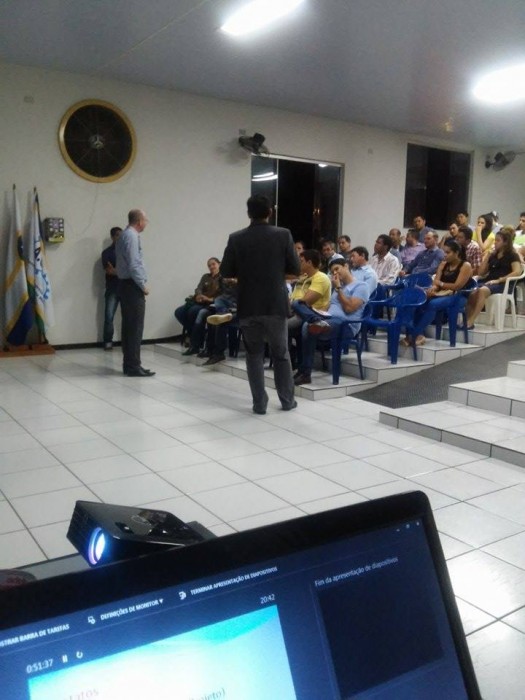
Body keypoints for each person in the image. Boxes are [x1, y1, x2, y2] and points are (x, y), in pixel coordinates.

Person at [220, 195, 300, 414]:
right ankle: (287, 400)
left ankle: (259, 403)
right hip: (275, 304)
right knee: (281, 354)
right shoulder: (283, 234)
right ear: (270, 212)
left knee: (253, 354)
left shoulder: (236, 238)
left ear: (248, 213)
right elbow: (295, 268)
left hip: (248, 304)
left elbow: (225, 271)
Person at [292, 257, 369, 385]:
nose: (335, 273)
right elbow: (329, 306)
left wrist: (338, 288)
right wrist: (316, 311)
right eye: (333, 272)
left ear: (346, 266)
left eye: (337, 269)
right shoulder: (338, 288)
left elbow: (349, 308)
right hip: (327, 319)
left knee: (308, 326)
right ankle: (315, 319)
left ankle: (304, 373)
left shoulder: (361, 286)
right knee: (298, 305)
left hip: (346, 325)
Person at [402, 240, 473, 346]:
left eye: (448, 252)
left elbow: (457, 286)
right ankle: (418, 335)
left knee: (433, 304)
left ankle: (414, 334)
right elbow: (436, 282)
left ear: (457, 253)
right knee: (419, 301)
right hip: (442, 293)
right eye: (444, 252)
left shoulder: (465, 265)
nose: (445, 255)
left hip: (458, 296)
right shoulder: (443, 264)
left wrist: (441, 284)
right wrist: (433, 288)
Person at [115, 209, 154, 377]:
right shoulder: (131, 236)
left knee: (129, 327)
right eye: (146, 220)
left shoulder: (125, 235)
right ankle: (133, 366)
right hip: (132, 286)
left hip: (125, 285)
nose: (146, 223)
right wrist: (142, 285)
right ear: (139, 221)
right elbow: (134, 264)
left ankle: (130, 364)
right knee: (135, 328)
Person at [465, 230, 522, 328]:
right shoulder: (493, 255)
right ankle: (467, 319)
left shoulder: (513, 255)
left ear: (505, 242)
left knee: (482, 290)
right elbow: (481, 272)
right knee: (471, 291)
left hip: (503, 284)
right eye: (495, 240)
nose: (495, 242)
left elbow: (517, 272)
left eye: (498, 240)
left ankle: (471, 321)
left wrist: (499, 280)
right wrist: (487, 256)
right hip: (489, 281)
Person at [101, 226, 122, 350]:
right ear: (112, 237)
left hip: (126, 288)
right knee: (109, 316)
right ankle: (108, 342)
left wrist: (117, 271)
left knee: (128, 317)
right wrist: (123, 272)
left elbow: (132, 270)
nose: (121, 237)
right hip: (112, 288)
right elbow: (109, 271)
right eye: (118, 235)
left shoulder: (127, 251)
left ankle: (128, 342)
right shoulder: (107, 253)